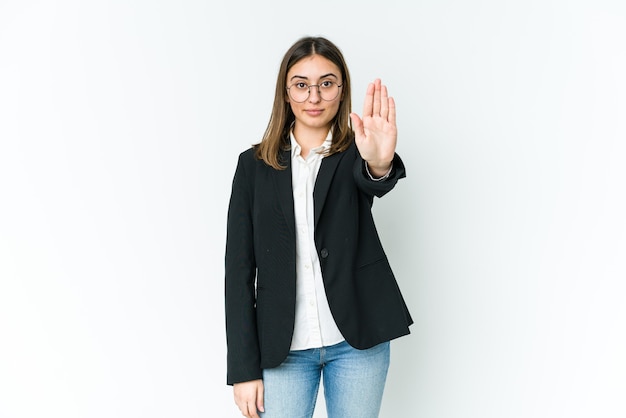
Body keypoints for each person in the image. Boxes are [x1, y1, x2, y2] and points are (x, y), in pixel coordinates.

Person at [225, 36, 413, 418]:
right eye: (302, 84)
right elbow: (238, 272)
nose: (314, 96)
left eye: (326, 83)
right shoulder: (253, 167)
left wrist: (379, 162)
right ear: (286, 91)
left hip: (356, 343)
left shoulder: (355, 154)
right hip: (283, 349)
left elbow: (373, 178)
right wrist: (243, 370)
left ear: (341, 91)